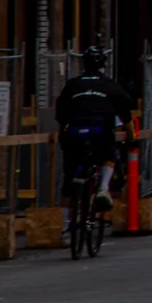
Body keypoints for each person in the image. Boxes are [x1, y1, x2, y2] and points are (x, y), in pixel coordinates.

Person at [55, 47, 135, 214]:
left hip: (74, 134)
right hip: (100, 132)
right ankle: (103, 189)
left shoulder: (73, 84)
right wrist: (130, 136)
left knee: (69, 176)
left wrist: (64, 131)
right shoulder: (108, 84)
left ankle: (64, 224)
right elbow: (125, 113)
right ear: (102, 65)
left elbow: (60, 112)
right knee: (108, 156)